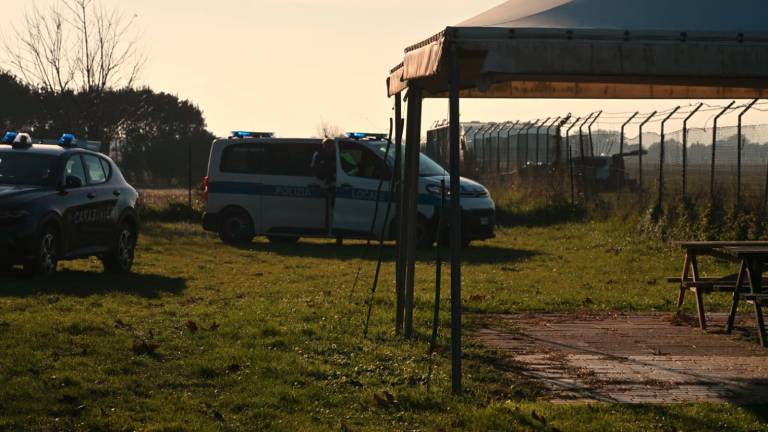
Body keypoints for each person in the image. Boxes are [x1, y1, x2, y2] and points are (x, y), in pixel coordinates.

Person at [311, 139, 337, 231]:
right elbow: (314, 169)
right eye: (328, 146)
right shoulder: (318, 155)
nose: (330, 148)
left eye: (331, 146)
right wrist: (324, 178)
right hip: (322, 185)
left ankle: (331, 229)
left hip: (335, 186)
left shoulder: (337, 156)